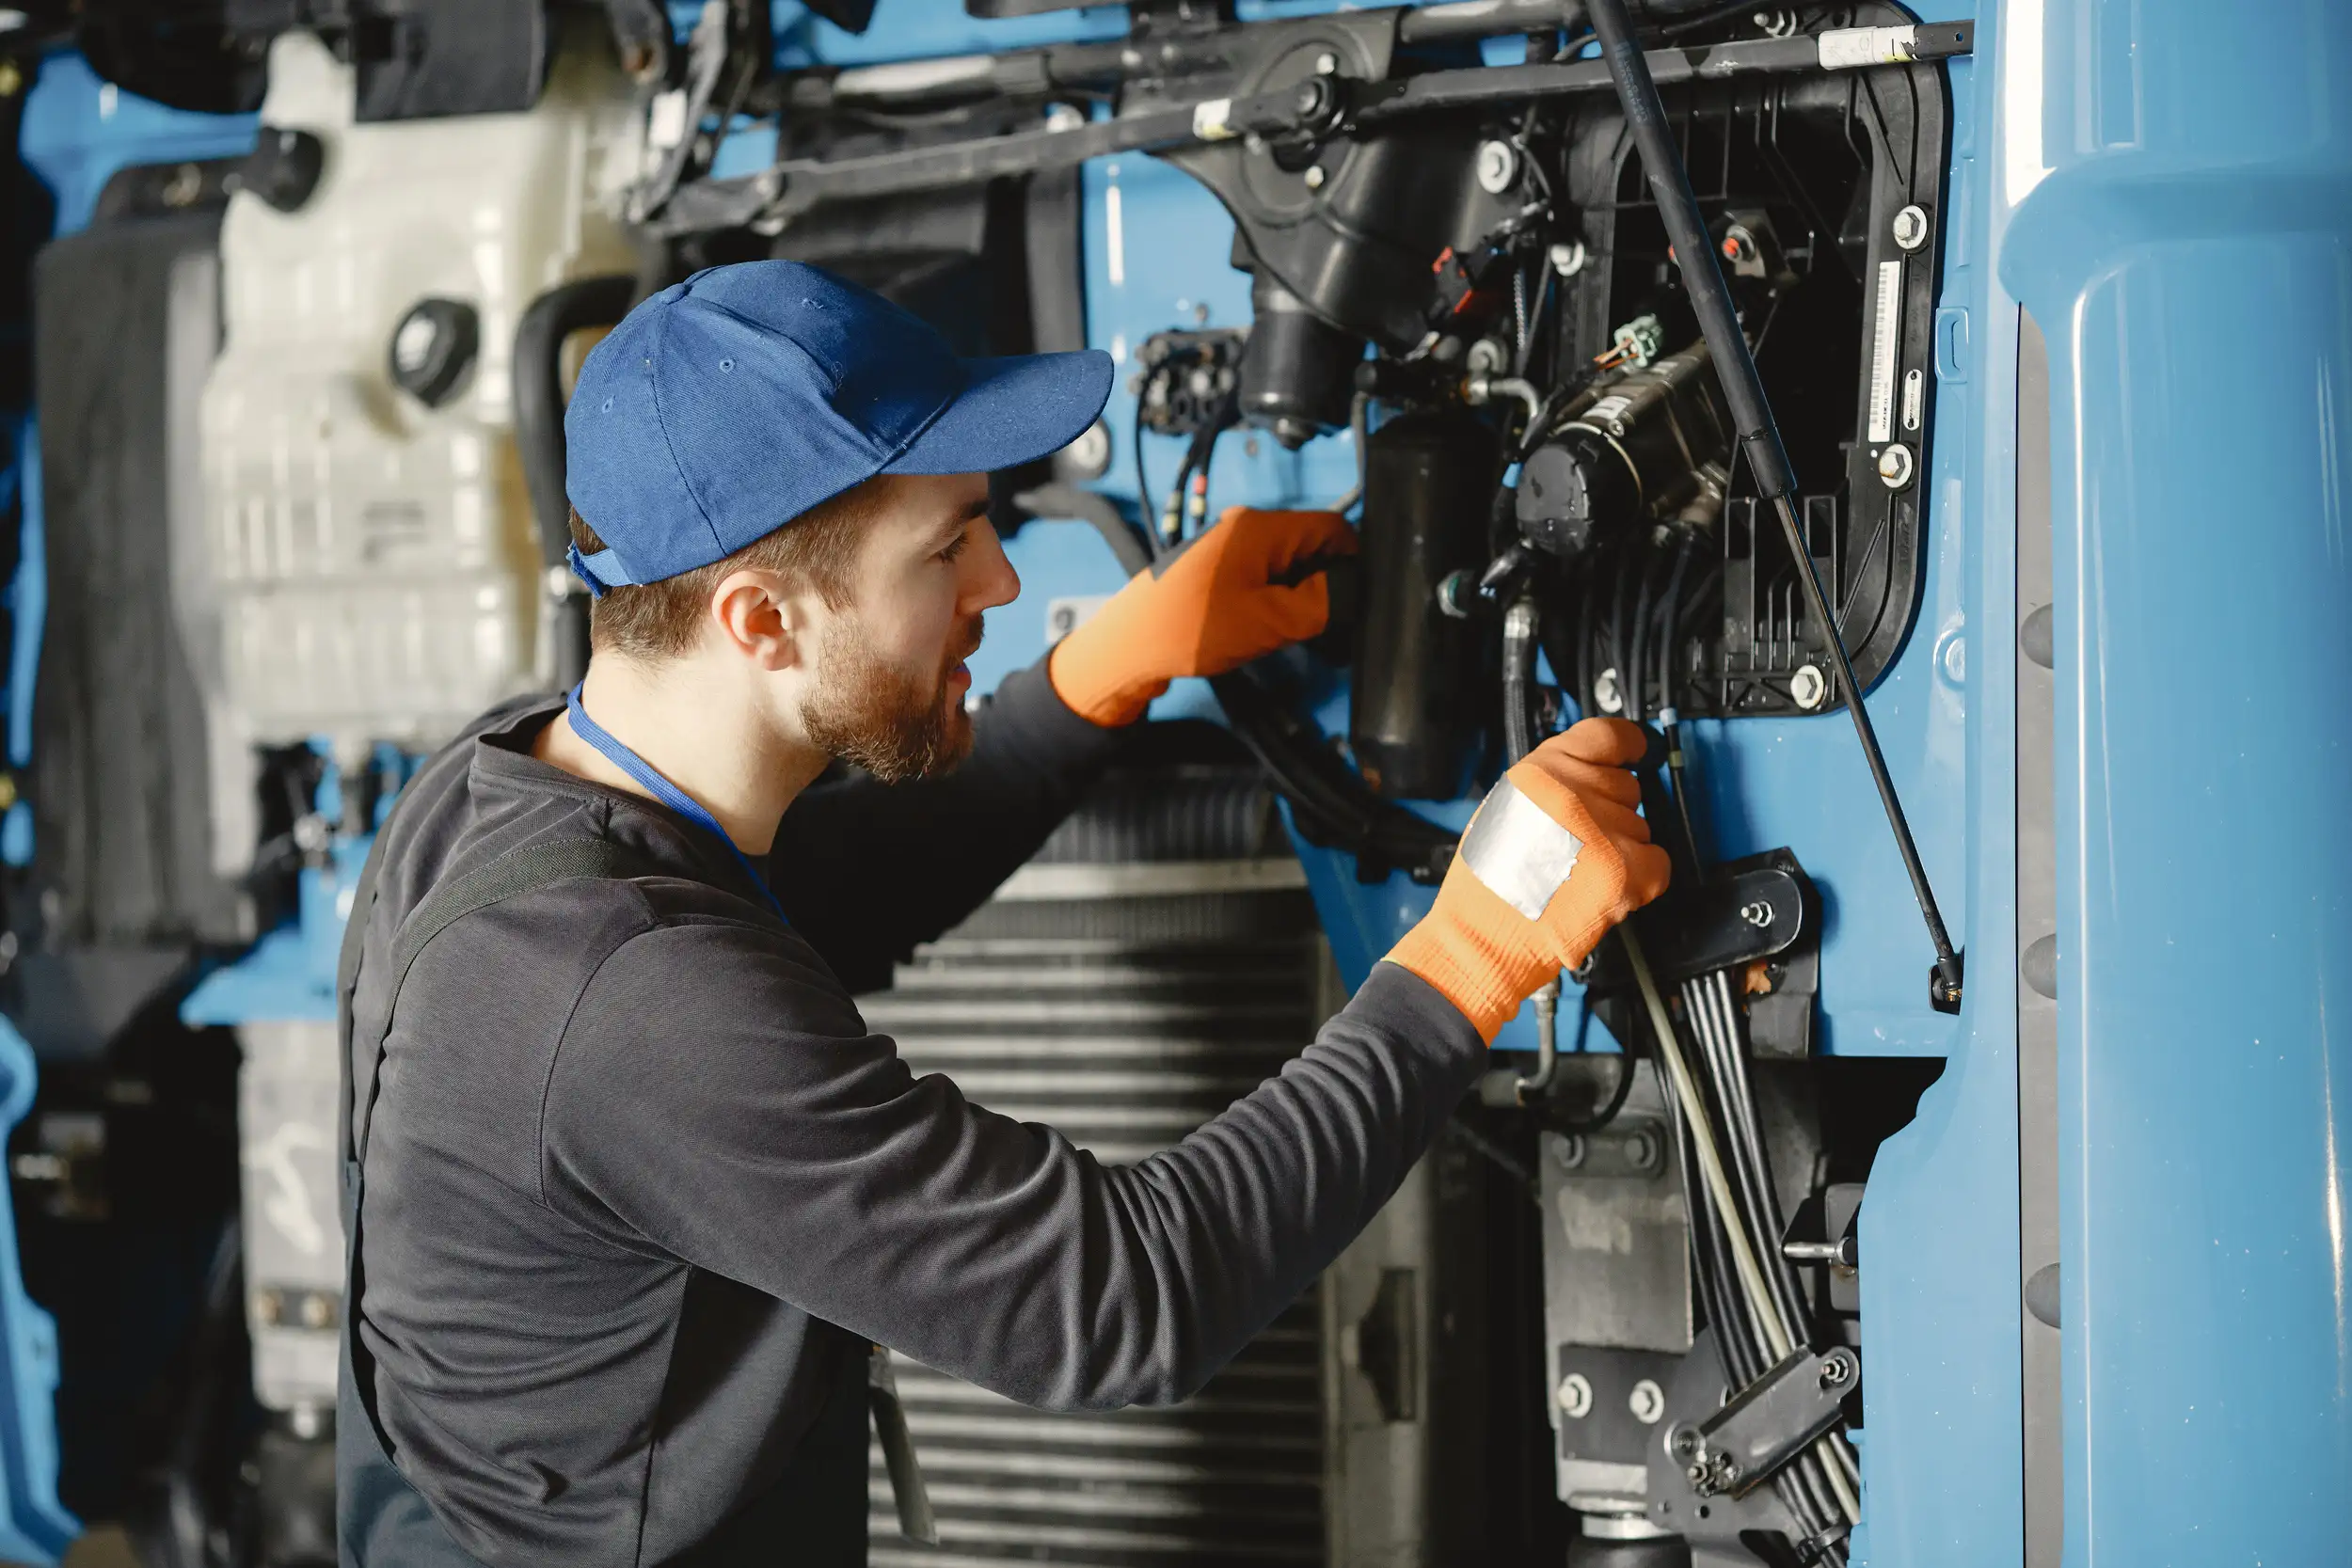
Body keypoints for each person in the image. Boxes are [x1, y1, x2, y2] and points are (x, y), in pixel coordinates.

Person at [335, 259, 1670, 1566]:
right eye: (947, 549)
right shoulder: (629, 998)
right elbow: (1126, 1297)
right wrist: (1477, 951)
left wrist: (1108, 667)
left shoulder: (508, 785)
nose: (1002, 588)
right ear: (760, 620)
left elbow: (814, 897)